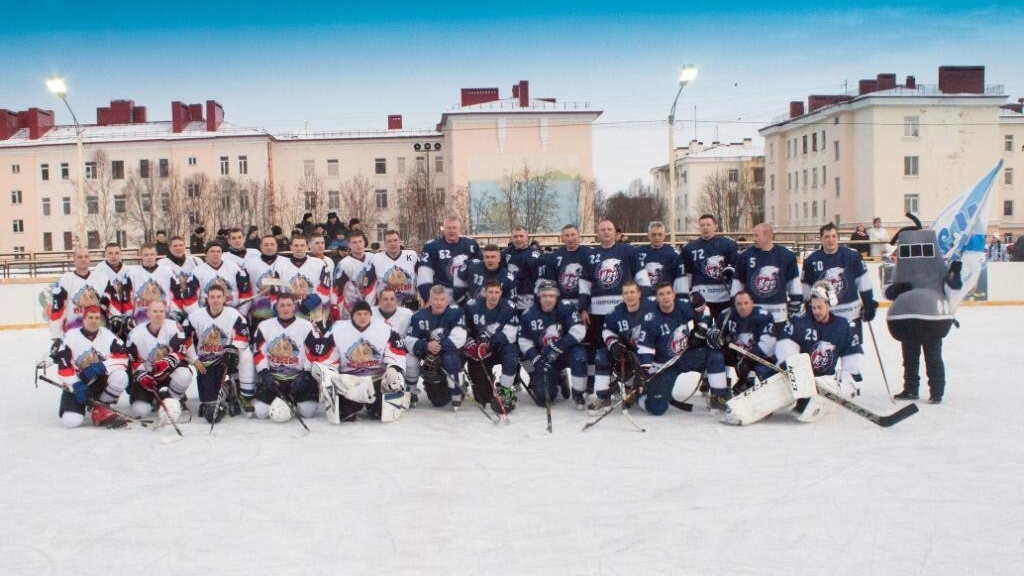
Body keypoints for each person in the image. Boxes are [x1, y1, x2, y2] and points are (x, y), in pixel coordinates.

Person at [885, 225, 963, 404]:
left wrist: (954, 277)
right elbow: (888, 291)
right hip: (908, 316)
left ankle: (936, 391)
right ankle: (910, 388)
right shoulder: (900, 268)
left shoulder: (938, 268)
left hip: (931, 319)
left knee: (933, 357)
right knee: (909, 357)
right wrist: (894, 290)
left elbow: (952, 289)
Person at [636, 282, 729, 414]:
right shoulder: (651, 319)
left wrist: (700, 330)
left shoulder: (682, 307)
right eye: (661, 294)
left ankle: (718, 397)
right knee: (657, 408)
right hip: (665, 365)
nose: (666, 297)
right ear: (656, 298)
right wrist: (645, 370)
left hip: (685, 356)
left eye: (668, 293)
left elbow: (705, 311)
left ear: (673, 294)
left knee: (715, 356)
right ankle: (640, 397)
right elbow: (645, 349)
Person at [316, 300, 408, 422]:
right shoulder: (338, 330)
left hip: (377, 379)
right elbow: (326, 359)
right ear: (352, 315)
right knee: (343, 414)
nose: (362, 317)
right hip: (349, 381)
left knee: (381, 413)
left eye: (365, 313)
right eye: (359, 314)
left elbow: (397, 352)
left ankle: (393, 398)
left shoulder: (385, 328)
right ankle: (352, 403)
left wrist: (394, 367)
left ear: (371, 315)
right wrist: (330, 377)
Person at [776, 281, 864, 402]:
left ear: (829, 305)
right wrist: (791, 366)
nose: (816, 311)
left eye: (820, 307)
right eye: (813, 307)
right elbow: (785, 344)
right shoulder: (799, 322)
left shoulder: (844, 326)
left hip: (826, 381)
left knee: (844, 383)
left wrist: (850, 375)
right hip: (801, 379)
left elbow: (852, 353)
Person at [182, 284, 255, 423]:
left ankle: (245, 395)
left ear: (224, 298)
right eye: (212, 297)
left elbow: (243, 336)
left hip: (226, 359)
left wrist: (234, 349)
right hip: (205, 361)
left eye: (218, 297)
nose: (215, 300)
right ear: (207, 299)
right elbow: (185, 337)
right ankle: (227, 389)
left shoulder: (234, 315)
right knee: (209, 402)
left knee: (246, 355)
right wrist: (194, 359)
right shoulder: (196, 315)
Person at [53, 305, 130, 428]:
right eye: (90, 317)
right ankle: (86, 406)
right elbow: (63, 367)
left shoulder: (107, 335)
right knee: (71, 422)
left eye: (97, 318)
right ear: (83, 319)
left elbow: (123, 356)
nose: (94, 321)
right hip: (78, 384)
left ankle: (101, 406)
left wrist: (102, 366)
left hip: (100, 381)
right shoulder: (70, 337)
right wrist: (75, 384)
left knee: (121, 377)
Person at [249, 293, 321, 422]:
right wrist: (264, 372)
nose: (286, 308)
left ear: (294, 307)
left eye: (289, 305)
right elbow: (258, 352)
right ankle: (282, 398)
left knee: (308, 412)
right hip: (274, 379)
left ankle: (290, 399)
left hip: (298, 377)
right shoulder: (264, 326)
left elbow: (313, 353)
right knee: (260, 412)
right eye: (282, 305)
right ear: (276, 307)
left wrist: (306, 374)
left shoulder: (306, 326)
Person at [800, 222, 878, 341]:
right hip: (825, 318)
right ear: (821, 239)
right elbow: (806, 289)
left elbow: (863, 282)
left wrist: (868, 304)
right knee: (827, 355)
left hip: (851, 315)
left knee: (852, 355)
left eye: (833, 236)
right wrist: (805, 306)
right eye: (826, 237)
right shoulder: (811, 261)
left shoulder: (852, 256)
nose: (830, 240)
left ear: (838, 238)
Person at [518, 281, 588, 408]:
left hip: (566, 352)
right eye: (544, 296)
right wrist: (535, 357)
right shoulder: (528, 314)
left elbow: (579, 331)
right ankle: (559, 377)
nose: (548, 299)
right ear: (539, 297)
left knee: (580, 356)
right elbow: (524, 340)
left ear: (557, 296)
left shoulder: (566, 307)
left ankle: (578, 394)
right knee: (543, 399)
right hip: (546, 356)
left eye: (551, 295)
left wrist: (559, 346)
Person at [592, 280, 655, 412]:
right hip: (626, 354)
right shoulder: (616, 312)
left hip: (649, 356)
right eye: (626, 293)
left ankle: (634, 389)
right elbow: (607, 330)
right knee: (601, 355)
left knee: (652, 401)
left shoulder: (652, 309)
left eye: (632, 292)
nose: (629, 296)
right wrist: (614, 344)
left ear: (639, 294)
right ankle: (603, 397)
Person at [124, 299, 191, 419]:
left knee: (184, 375)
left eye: (161, 311)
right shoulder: (135, 334)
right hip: (149, 375)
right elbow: (134, 361)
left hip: (169, 372)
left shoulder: (174, 326)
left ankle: (174, 399)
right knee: (140, 411)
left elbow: (180, 350)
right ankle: (154, 398)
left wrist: (168, 361)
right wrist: (143, 375)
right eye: (155, 311)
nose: (159, 314)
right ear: (148, 313)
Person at [731, 222, 802, 335]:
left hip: (778, 315)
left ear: (768, 235)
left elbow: (793, 285)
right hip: (753, 314)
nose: (753, 239)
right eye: (753, 235)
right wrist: (735, 305)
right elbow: (738, 284)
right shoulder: (745, 256)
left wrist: (795, 307)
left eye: (756, 235)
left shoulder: (786, 256)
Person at [405, 285, 468, 409]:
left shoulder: (456, 312)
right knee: (438, 402)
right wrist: (426, 345)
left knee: (451, 359)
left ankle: (457, 392)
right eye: (436, 299)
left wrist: (438, 346)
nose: (439, 303)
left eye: (442, 299)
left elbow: (459, 337)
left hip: (451, 352)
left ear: (447, 300)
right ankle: (411, 392)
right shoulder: (419, 316)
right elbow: (409, 340)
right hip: (430, 356)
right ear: (430, 299)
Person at [464, 280, 520, 414]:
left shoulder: (509, 307)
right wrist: (470, 343)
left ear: (501, 293)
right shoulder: (472, 306)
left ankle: (506, 392)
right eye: (490, 292)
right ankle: (488, 382)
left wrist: (490, 343)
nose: (494, 295)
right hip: (480, 350)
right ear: (485, 292)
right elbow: (463, 328)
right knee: (482, 398)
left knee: (512, 356)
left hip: (500, 347)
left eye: (496, 292)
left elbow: (511, 333)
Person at [48, 248, 113, 356]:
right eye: (80, 257)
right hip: (73, 333)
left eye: (86, 257)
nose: (83, 260)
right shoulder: (65, 280)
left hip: (98, 332)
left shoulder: (101, 278)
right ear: (74, 259)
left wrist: (115, 319)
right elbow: (57, 310)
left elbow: (111, 304)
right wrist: (56, 337)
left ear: (90, 259)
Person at [679, 213, 740, 321]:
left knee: (723, 332)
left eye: (708, 224)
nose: (705, 228)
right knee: (701, 331)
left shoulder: (727, 244)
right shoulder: (689, 248)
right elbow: (688, 273)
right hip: (701, 297)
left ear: (715, 226)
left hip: (723, 296)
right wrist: (688, 293)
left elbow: (733, 271)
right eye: (702, 225)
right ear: (699, 227)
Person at [715, 290, 778, 393]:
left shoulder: (763, 316)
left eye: (746, 303)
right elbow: (716, 333)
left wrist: (747, 359)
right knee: (716, 357)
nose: (742, 307)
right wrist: (716, 338)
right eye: (739, 304)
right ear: (734, 305)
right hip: (737, 354)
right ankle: (720, 388)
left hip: (759, 357)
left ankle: (757, 383)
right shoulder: (726, 315)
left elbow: (768, 345)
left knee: (765, 373)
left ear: (752, 302)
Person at [111, 243, 179, 332]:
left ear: (156, 255)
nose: (149, 257)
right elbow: (127, 298)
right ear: (141, 255)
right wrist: (129, 317)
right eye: (146, 255)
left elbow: (175, 294)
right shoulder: (132, 273)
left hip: (163, 315)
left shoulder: (167, 271)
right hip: (140, 316)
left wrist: (174, 313)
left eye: (152, 254)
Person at [417, 215, 481, 303]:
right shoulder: (432, 246)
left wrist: (477, 293)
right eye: (448, 228)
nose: (451, 231)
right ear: (443, 229)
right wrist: (428, 298)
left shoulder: (471, 245)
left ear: (460, 228)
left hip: (466, 293)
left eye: (454, 228)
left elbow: (481, 270)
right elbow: (424, 275)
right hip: (442, 294)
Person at [274, 235, 331, 326]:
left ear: (307, 246)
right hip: (289, 312)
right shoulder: (280, 266)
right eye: (296, 245)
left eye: (302, 245)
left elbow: (325, 289)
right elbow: (276, 290)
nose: (299, 248)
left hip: (315, 313)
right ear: (291, 247)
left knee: (315, 339)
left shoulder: (319, 263)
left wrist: (310, 303)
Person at [177, 242, 250, 313]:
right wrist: (198, 315)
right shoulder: (197, 272)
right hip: (206, 312)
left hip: (232, 311)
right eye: (212, 251)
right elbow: (190, 298)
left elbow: (245, 291)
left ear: (222, 253)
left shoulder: (234, 268)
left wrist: (242, 312)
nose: (216, 254)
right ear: (206, 254)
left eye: (218, 251)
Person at [363, 229, 419, 310]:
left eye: (395, 240)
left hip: (410, 305)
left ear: (400, 241)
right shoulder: (376, 259)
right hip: (386, 307)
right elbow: (368, 286)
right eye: (389, 241)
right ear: (385, 244)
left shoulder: (410, 255)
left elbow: (422, 277)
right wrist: (369, 308)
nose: (393, 244)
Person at [542, 223, 593, 311]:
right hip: (562, 303)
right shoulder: (555, 256)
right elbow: (551, 282)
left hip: (586, 302)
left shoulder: (589, 253)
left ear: (579, 235)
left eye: (573, 235)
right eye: (567, 235)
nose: (570, 238)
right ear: (562, 238)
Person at [334, 230, 376, 320]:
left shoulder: (374, 259)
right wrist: (338, 312)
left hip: (373, 310)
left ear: (364, 242)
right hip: (352, 311)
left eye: (360, 241)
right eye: (354, 242)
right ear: (349, 245)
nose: (358, 245)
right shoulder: (344, 264)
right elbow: (339, 291)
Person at [244, 235, 284, 329]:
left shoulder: (286, 263)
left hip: (282, 311)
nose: (269, 247)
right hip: (259, 312)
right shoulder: (250, 264)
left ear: (276, 246)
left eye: (272, 244)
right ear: (260, 247)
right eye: (266, 245)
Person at [502, 226, 545, 312]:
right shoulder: (506, 253)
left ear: (527, 237)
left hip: (527, 298)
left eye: (521, 236)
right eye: (515, 236)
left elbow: (539, 281)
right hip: (508, 296)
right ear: (512, 238)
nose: (518, 239)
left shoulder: (535, 255)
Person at [637, 221, 681, 292]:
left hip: (665, 296)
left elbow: (679, 278)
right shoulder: (638, 252)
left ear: (664, 235)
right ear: (648, 235)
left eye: (660, 234)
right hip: (644, 295)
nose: (657, 237)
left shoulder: (673, 253)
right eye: (653, 235)